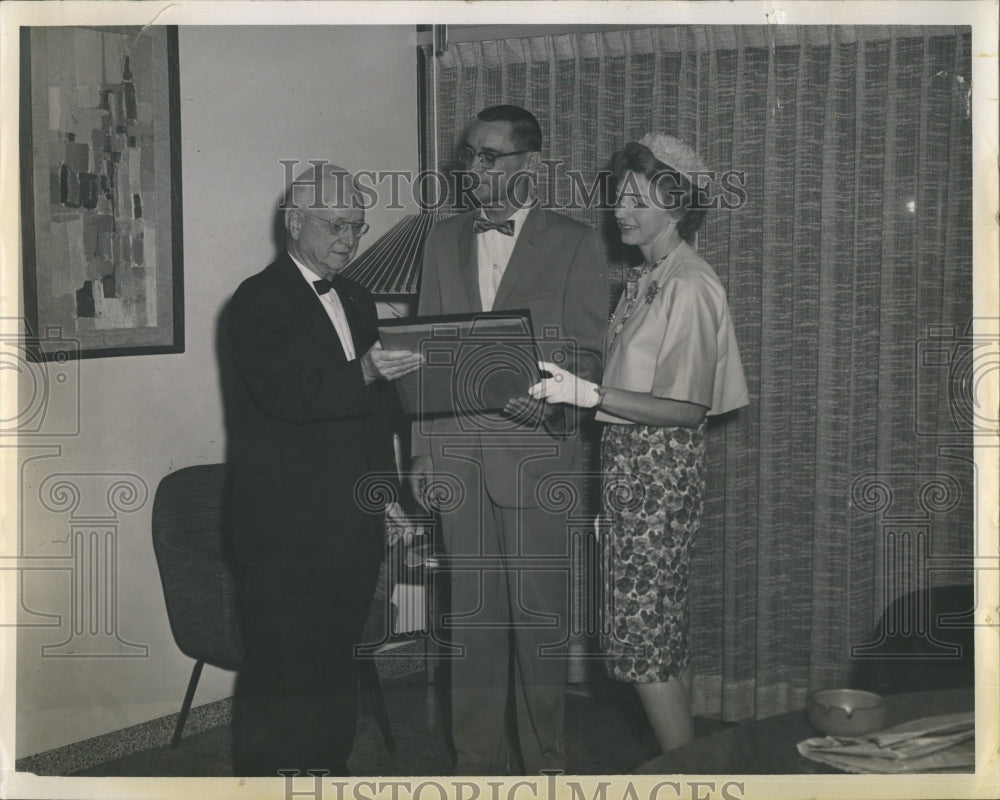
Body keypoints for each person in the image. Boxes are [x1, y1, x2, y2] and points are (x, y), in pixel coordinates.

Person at [529, 133, 749, 752]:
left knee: (644, 640)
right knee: (655, 635)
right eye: (617, 197)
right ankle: (695, 772)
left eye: (635, 200)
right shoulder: (648, 276)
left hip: (658, 473)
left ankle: (687, 780)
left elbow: (686, 407)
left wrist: (592, 395)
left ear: (676, 206)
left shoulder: (689, 285)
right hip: (634, 472)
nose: (619, 211)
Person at [409, 105, 608, 775]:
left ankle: (547, 764)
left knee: (539, 622)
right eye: (469, 155)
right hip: (459, 456)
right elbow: (425, 354)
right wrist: (422, 454)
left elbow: (591, 352)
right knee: (472, 625)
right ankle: (475, 767)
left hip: (536, 455)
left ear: (531, 166)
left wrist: (553, 405)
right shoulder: (439, 239)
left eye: (489, 157)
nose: (473, 169)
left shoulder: (576, 243)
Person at [226, 162, 422, 776]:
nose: (348, 238)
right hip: (282, 530)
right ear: (294, 222)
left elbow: (372, 417)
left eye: (358, 227)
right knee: (282, 677)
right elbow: (284, 396)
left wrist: (386, 495)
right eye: (336, 224)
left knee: (337, 668)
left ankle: (326, 780)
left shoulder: (359, 297)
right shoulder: (259, 299)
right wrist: (364, 371)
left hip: (349, 525)